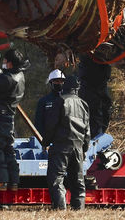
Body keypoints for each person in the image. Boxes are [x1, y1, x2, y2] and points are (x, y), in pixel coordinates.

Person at [0, 48, 29, 191]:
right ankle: (13, 181)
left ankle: (0, 181)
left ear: (9, 63)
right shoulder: (19, 75)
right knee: (8, 150)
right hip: (9, 118)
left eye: (5, 61)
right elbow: (4, 82)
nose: (3, 63)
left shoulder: (7, 79)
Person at [42, 75, 90, 210]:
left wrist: (45, 141)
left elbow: (51, 125)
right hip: (78, 146)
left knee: (56, 178)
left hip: (61, 145)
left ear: (65, 86)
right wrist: (84, 147)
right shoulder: (83, 104)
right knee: (78, 180)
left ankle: (60, 209)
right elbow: (87, 129)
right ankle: (78, 209)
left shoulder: (60, 101)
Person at [77, 55, 112, 137]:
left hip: (99, 82)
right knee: (94, 110)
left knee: (102, 107)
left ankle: (97, 135)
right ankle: (95, 136)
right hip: (90, 84)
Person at [34, 69, 66, 135]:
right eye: (56, 81)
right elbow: (38, 123)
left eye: (61, 81)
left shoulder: (69, 100)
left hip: (65, 140)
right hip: (49, 140)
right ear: (51, 83)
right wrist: (44, 140)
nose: (59, 83)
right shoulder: (43, 101)